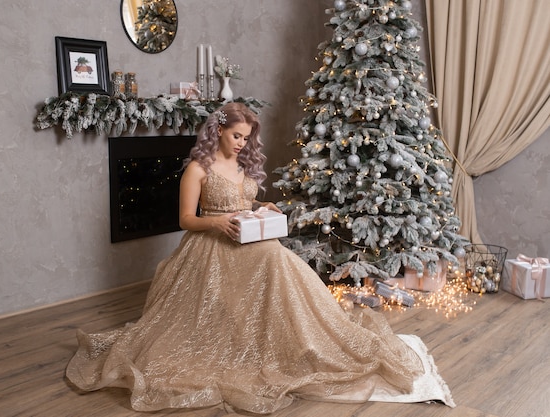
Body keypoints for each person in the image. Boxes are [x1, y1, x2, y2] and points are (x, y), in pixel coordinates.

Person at [66, 102, 454, 414]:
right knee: (275, 262)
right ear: (217, 130)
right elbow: (186, 219)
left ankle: (316, 336)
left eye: (246, 138)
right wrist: (218, 224)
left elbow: (243, 202)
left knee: (280, 261)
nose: (241, 144)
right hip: (214, 248)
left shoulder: (240, 164)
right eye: (236, 136)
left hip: (252, 241)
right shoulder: (197, 169)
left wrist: (260, 205)